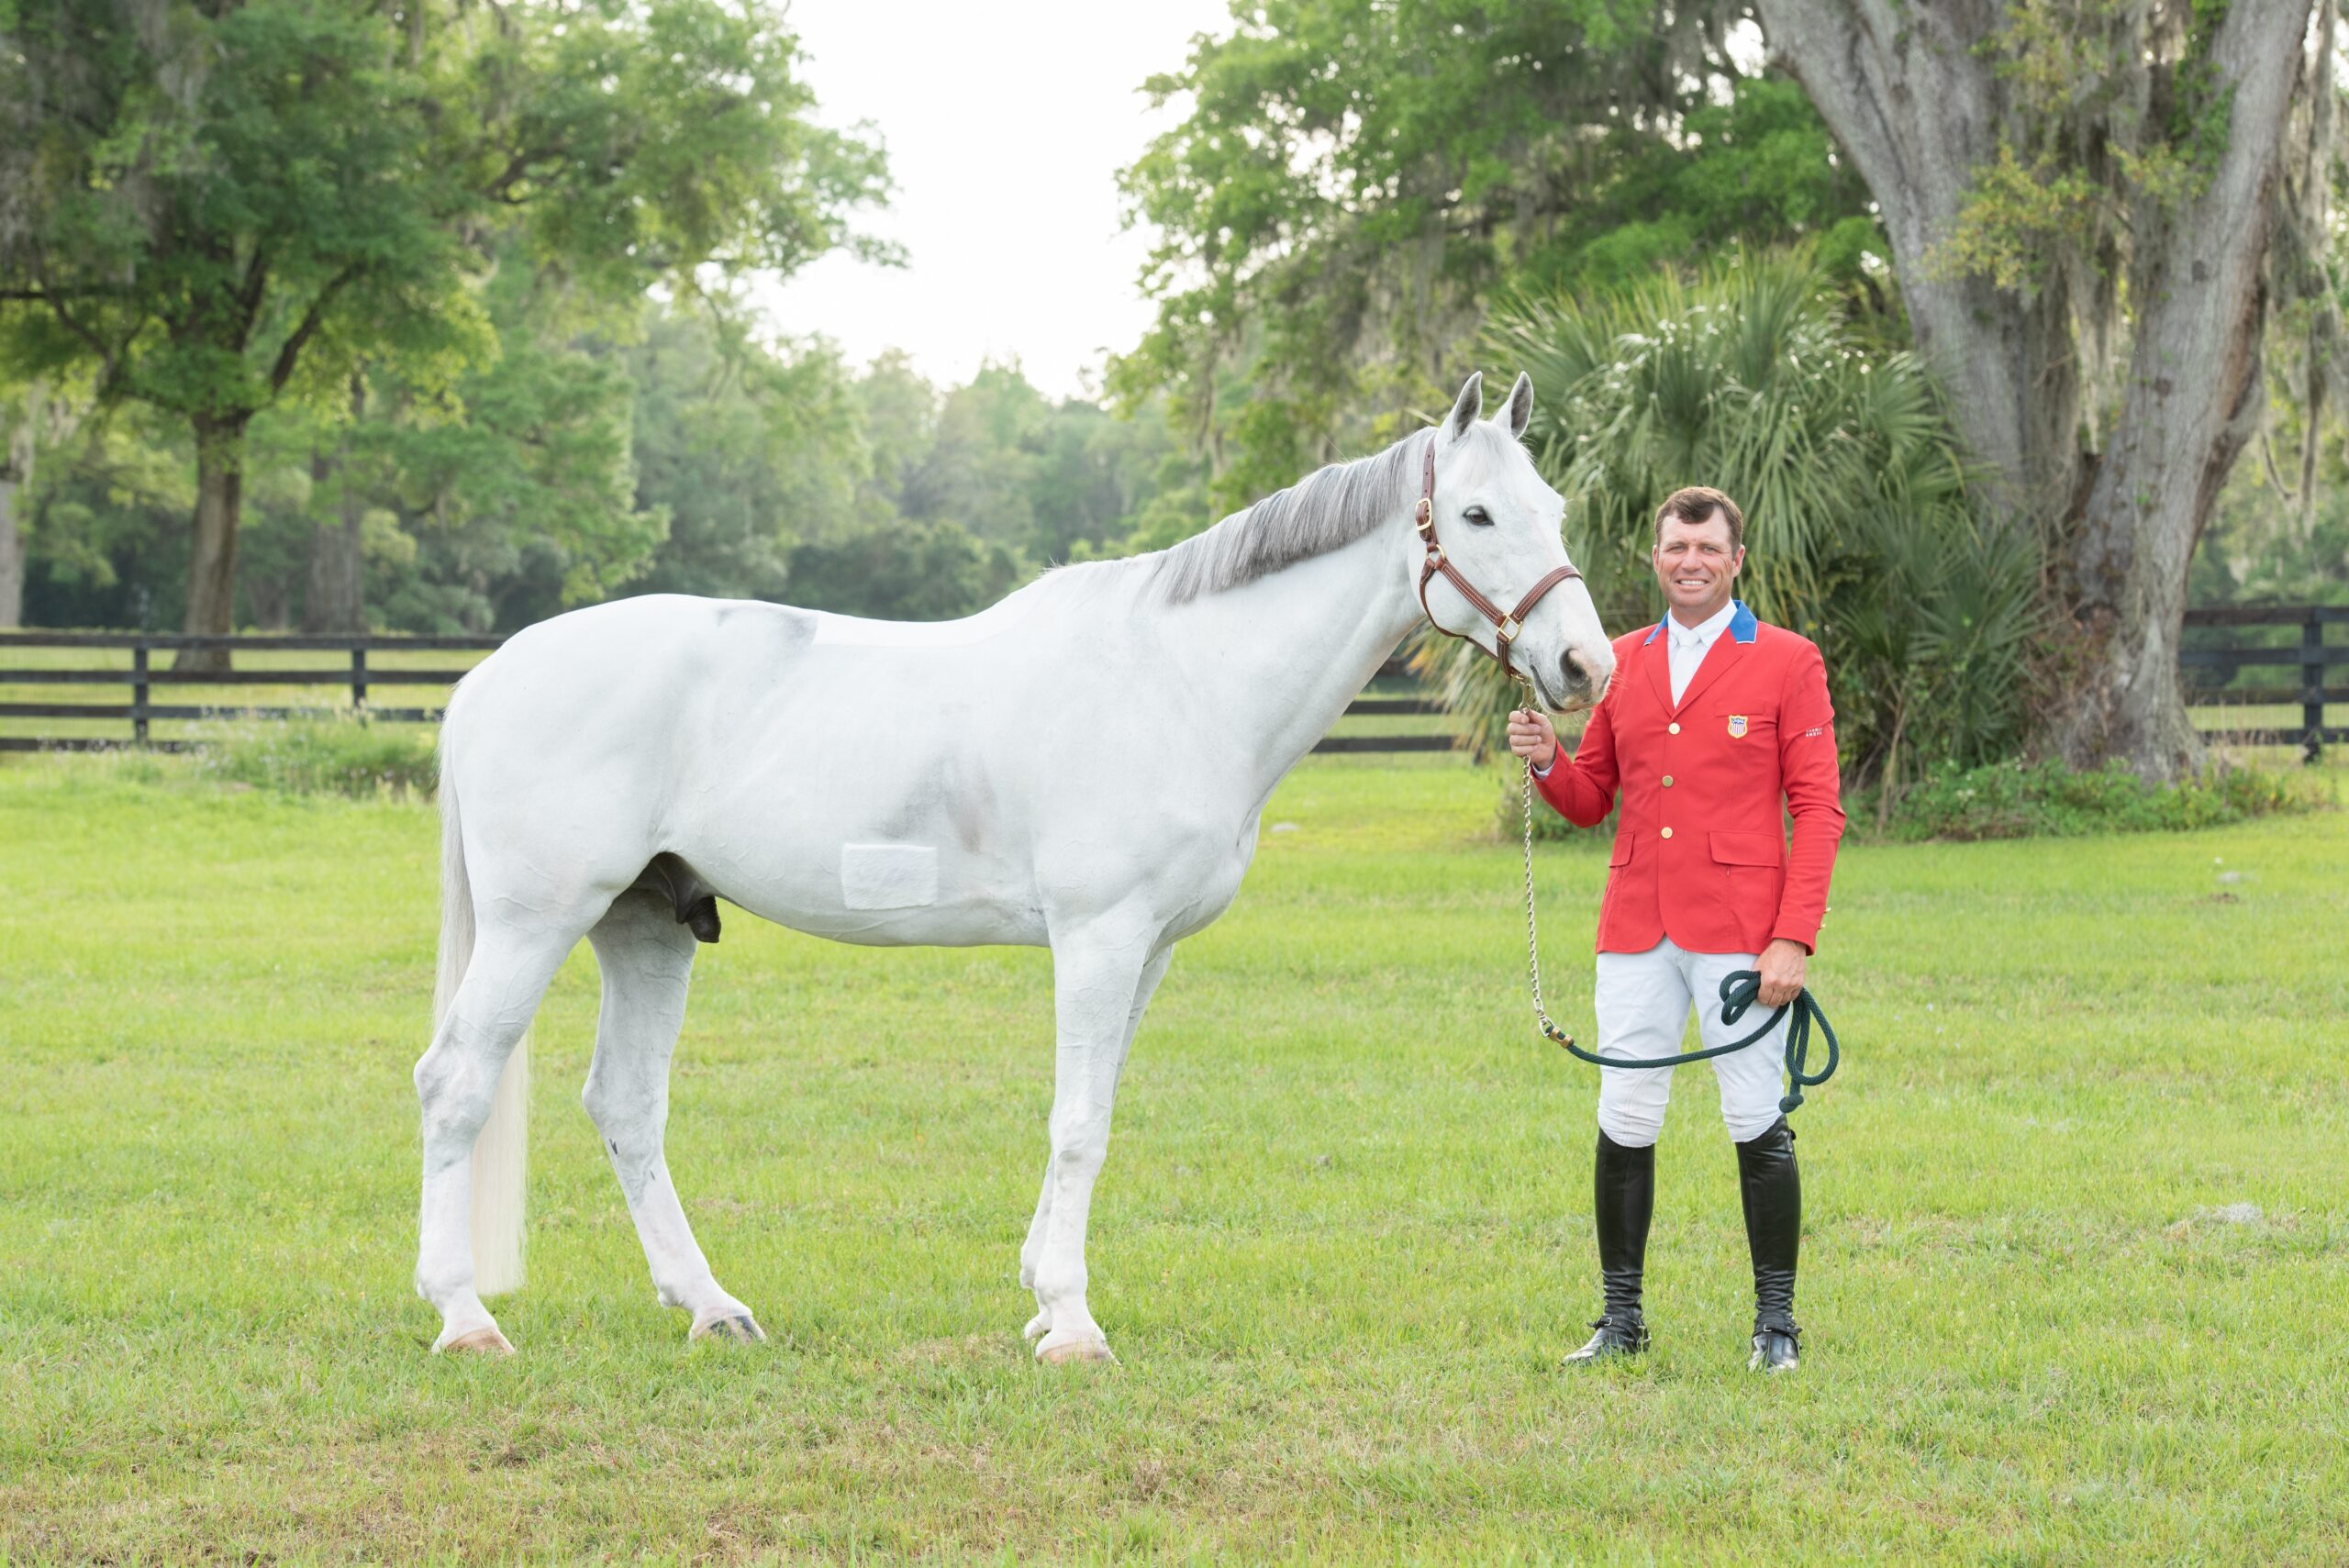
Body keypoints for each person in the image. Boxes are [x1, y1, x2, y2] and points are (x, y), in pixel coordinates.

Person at [1508, 486, 1843, 1372]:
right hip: (1635, 927)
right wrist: (1548, 760)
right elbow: (1593, 798)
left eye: (1707, 547)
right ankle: (1621, 1321)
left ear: (1736, 559)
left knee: (1755, 1117)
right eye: (1675, 547)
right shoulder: (1621, 659)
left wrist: (1794, 938)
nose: (1690, 561)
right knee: (1624, 1115)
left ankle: (1776, 1324)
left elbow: (1818, 809)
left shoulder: (1788, 659)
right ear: (1655, 558)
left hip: (1742, 933)